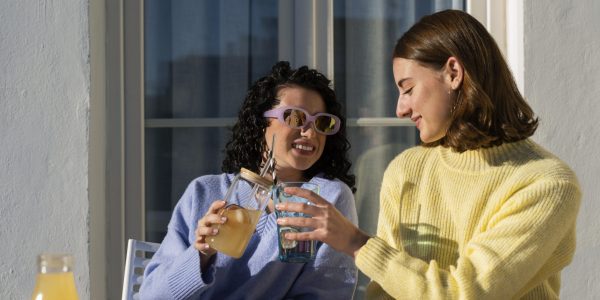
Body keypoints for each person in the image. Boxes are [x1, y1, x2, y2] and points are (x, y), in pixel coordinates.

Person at [276, 10, 581, 299]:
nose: (400, 109)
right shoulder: (407, 169)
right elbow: (384, 293)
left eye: (407, 89)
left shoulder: (546, 184)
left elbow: (466, 293)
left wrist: (358, 243)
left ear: (453, 73)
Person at [139, 61, 358, 299]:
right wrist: (200, 254)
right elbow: (150, 295)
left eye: (321, 122)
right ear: (260, 122)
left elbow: (326, 293)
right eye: (295, 118)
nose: (310, 132)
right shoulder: (203, 193)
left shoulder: (327, 199)